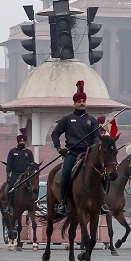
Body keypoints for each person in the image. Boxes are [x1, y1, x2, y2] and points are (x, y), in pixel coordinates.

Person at [50, 81, 104, 216]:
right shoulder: (67, 119)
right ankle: (62, 203)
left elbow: (97, 136)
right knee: (66, 173)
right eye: (79, 101)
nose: (81, 103)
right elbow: (55, 133)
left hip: (88, 153)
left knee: (102, 173)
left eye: (83, 101)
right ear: (74, 103)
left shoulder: (91, 120)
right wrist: (58, 148)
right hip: (72, 153)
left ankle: (101, 202)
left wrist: (94, 145)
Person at [3, 133, 36, 215]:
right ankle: (8, 205)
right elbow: (9, 163)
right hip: (15, 174)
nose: (22, 142)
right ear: (18, 142)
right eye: (20, 141)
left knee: (34, 188)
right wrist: (8, 174)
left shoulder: (28, 152)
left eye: (23, 141)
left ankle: (34, 204)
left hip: (26, 175)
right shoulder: (13, 151)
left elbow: (32, 163)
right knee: (10, 188)